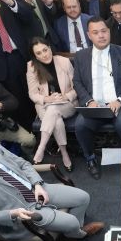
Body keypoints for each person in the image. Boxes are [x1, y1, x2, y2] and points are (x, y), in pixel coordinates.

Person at [73, 17, 121, 179]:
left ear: (109, 32)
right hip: (95, 105)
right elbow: (77, 82)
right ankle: (90, 159)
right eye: (96, 33)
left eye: (104, 31)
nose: (101, 36)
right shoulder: (81, 56)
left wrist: (119, 100)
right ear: (89, 35)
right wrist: (89, 101)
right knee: (81, 125)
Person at [26, 38, 78, 167]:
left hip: (67, 103)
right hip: (45, 105)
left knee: (53, 110)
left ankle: (41, 148)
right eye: (38, 53)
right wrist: (47, 99)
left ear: (50, 47)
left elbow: (77, 87)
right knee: (56, 119)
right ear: (35, 56)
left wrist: (65, 96)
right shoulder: (31, 67)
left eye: (45, 50)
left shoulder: (64, 61)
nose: (44, 55)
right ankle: (64, 153)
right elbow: (32, 94)